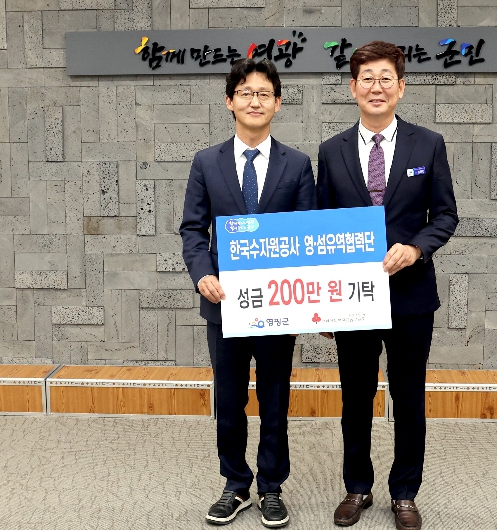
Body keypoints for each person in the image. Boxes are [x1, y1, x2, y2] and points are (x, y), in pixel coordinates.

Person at [316, 41, 458, 530]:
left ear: (401, 87)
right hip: (353, 299)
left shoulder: (428, 144)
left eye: (385, 79)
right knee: (354, 397)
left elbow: (445, 216)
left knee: (409, 397)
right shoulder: (331, 151)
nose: (376, 87)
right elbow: (323, 229)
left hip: (411, 297)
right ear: (352, 87)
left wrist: (416, 248)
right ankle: (357, 486)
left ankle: (405, 492)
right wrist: (326, 305)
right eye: (367, 79)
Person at [180, 58, 316, 528]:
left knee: (275, 398)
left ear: (277, 103)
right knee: (231, 399)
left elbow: (307, 238)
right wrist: (202, 274)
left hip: (278, 305)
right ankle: (235, 484)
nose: (254, 100)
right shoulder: (206, 162)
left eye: (263, 93)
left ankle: (271, 487)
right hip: (224, 304)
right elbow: (193, 230)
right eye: (245, 93)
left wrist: (307, 303)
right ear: (230, 102)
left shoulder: (297, 164)